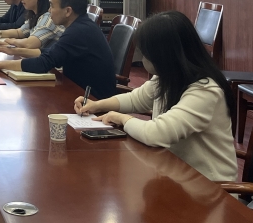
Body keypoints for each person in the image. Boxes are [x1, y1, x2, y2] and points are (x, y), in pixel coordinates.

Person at [73, 11, 237, 182]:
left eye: (146, 54)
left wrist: (122, 118)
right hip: (176, 174)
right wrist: (97, 105)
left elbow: (156, 134)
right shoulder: (168, 78)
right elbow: (135, 99)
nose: (144, 59)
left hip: (211, 187)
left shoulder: (205, 91)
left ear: (164, 55)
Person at [0, 0, 116, 99]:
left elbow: (43, 63)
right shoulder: (81, 25)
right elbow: (50, 52)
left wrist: (0, 64)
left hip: (93, 102)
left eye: (52, 6)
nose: (49, 11)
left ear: (68, 11)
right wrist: (12, 50)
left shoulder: (78, 32)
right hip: (79, 93)